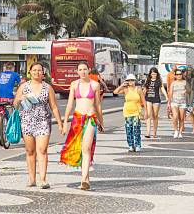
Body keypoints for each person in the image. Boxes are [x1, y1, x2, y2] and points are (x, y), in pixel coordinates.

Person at [13, 62, 64, 189]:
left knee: (42, 150)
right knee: (30, 151)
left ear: (43, 73)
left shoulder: (47, 87)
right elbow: (15, 105)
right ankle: (32, 178)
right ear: (30, 72)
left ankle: (43, 179)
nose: (37, 72)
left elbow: (54, 107)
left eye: (39, 70)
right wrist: (20, 99)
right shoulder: (24, 87)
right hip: (27, 121)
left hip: (43, 122)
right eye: (34, 70)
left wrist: (60, 124)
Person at [60, 62, 104, 191]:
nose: (83, 71)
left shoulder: (95, 85)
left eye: (85, 69)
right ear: (77, 71)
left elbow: (98, 105)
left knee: (86, 148)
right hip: (77, 119)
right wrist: (64, 123)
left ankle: (84, 179)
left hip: (90, 119)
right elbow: (69, 104)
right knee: (78, 148)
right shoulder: (74, 84)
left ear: (89, 70)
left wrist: (101, 122)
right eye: (80, 69)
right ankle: (86, 177)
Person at [114, 74, 146, 152]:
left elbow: (144, 101)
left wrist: (146, 112)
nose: (130, 82)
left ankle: (138, 145)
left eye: (132, 80)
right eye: (128, 80)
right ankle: (131, 145)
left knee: (136, 129)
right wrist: (122, 85)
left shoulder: (138, 89)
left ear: (135, 81)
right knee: (128, 129)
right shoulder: (126, 89)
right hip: (127, 112)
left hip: (136, 112)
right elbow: (115, 92)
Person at [142, 67, 168, 139]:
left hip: (156, 99)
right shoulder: (148, 80)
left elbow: (162, 88)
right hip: (148, 99)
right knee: (149, 115)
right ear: (150, 74)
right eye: (152, 74)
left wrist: (166, 96)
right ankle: (148, 132)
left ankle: (155, 133)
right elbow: (145, 89)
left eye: (155, 74)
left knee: (155, 116)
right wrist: (142, 97)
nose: (153, 75)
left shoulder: (159, 80)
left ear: (157, 74)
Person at [167, 68, 188, 139]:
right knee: (175, 116)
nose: (179, 76)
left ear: (182, 75)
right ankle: (176, 130)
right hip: (174, 102)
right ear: (175, 76)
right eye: (177, 74)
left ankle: (180, 132)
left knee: (181, 118)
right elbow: (170, 93)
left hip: (183, 102)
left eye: (180, 74)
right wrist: (169, 103)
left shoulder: (185, 82)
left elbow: (190, 91)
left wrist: (186, 91)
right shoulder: (173, 83)